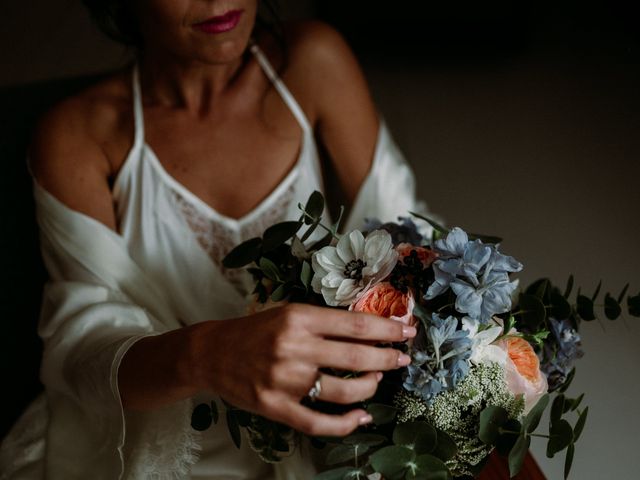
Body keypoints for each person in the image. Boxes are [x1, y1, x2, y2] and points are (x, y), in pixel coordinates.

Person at [0, 1, 430, 478]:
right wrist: (205, 355)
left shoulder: (311, 62)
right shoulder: (80, 136)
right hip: (179, 448)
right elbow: (82, 352)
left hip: (339, 433)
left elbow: (404, 234)